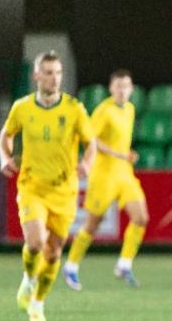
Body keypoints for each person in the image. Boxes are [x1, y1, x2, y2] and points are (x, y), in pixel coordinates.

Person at [0, 51, 96, 321]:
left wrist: (87, 163)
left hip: (64, 191)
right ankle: (29, 279)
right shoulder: (22, 107)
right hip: (32, 187)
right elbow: (6, 134)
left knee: (53, 252)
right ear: (37, 76)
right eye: (49, 73)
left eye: (58, 73)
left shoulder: (74, 109)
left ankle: (38, 303)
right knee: (35, 242)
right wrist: (5, 157)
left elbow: (91, 143)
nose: (55, 78)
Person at [63, 70, 150, 290]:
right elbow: (90, 139)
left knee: (141, 218)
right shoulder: (104, 110)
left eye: (126, 86)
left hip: (124, 173)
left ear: (131, 89)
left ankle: (124, 264)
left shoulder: (130, 109)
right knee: (93, 224)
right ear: (111, 88)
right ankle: (71, 266)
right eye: (118, 86)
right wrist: (118, 153)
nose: (122, 90)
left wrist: (125, 155)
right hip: (103, 174)